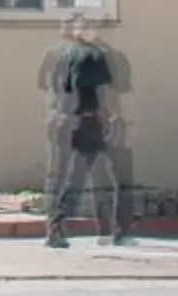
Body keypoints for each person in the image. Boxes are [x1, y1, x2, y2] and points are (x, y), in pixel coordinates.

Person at [38, 14, 134, 248]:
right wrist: (109, 117)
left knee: (70, 176)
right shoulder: (94, 56)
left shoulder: (63, 55)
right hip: (87, 120)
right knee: (102, 178)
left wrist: (56, 112)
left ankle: (59, 226)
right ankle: (111, 230)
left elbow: (50, 85)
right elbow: (100, 91)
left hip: (65, 120)